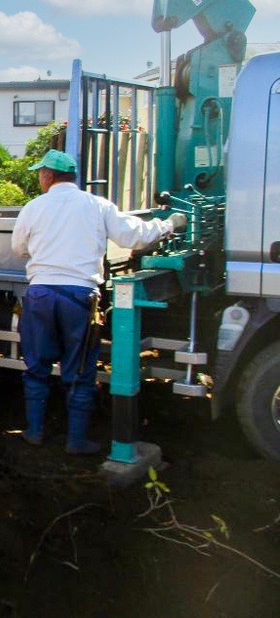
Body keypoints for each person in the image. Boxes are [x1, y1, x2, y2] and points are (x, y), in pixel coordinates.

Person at [11, 149, 187, 454]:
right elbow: (135, 237)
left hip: (41, 294)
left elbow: (18, 249)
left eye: (40, 173)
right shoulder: (97, 206)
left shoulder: (33, 208)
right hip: (79, 296)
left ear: (48, 176)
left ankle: (35, 432)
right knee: (79, 370)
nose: (39, 177)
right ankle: (76, 441)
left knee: (37, 365)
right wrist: (169, 224)